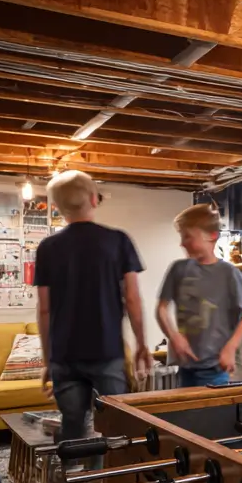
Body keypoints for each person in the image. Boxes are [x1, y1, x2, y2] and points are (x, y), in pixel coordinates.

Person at [34, 170, 154, 443]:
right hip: (107, 351)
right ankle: (104, 471)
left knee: (72, 427)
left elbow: (44, 309)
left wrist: (47, 359)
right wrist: (142, 345)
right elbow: (132, 299)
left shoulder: (48, 248)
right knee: (114, 428)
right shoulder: (118, 240)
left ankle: (73, 469)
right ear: (93, 199)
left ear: (57, 207)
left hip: (65, 355)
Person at [157, 204, 242, 388]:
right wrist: (173, 336)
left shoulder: (229, 274)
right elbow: (161, 308)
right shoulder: (178, 269)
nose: (182, 243)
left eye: (188, 236)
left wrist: (231, 347)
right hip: (185, 367)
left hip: (215, 369)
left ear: (212, 236)